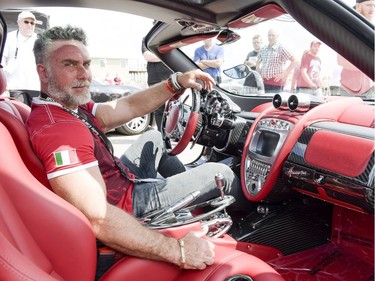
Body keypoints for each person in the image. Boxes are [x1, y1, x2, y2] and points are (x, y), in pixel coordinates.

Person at [26, 25, 249, 276]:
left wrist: (175, 82)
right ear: (43, 73)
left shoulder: (66, 106)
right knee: (219, 173)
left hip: (120, 182)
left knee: (153, 137)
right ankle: (247, 231)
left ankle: (186, 207)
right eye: (70, 65)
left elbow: (127, 106)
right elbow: (98, 217)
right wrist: (177, 250)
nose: (84, 74)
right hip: (126, 208)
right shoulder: (60, 130)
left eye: (86, 64)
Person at [337, 0, 374, 98]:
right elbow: (341, 60)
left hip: (370, 89)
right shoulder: (348, 28)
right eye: (369, 5)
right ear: (358, 6)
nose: (372, 9)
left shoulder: (371, 28)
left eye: (374, 5)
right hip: (350, 90)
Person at [2, 11, 41, 92]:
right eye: (26, 22)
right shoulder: (9, 37)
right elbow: (2, 60)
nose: (29, 25)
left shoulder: (39, 40)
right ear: (19, 22)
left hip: (35, 87)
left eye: (32, 23)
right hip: (14, 86)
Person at [142, 35, 173, 131]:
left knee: (174, 107)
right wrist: (166, 55)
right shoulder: (147, 39)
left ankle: (172, 132)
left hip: (171, 78)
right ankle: (161, 134)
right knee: (159, 110)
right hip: (154, 79)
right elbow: (148, 56)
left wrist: (159, 55)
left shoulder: (171, 37)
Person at [256, 28, 298, 93]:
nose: (270, 37)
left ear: (277, 36)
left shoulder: (281, 48)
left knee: (274, 102)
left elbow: (295, 61)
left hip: (276, 82)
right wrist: (259, 75)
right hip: (264, 82)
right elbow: (257, 63)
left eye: (273, 35)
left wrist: (284, 74)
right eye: (269, 35)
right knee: (264, 101)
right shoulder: (263, 48)